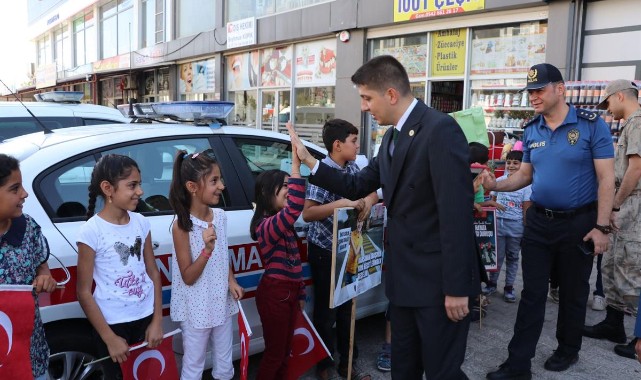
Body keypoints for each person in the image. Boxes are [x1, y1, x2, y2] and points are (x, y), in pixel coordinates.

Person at [289, 55, 479, 379]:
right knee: (403, 370)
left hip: (438, 284)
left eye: (367, 98)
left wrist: (458, 288)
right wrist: (310, 161)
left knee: (442, 371)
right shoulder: (390, 138)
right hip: (403, 283)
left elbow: (456, 214)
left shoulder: (440, 130)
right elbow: (356, 183)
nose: (364, 107)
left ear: (390, 94)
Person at [481, 63, 615, 379]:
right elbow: (525, 175)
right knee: (533, 294)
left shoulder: (591, 125)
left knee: (572, 292)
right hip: (539, 222)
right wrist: (495, 185)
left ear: (560, 89)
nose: (534, 97)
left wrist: (602, 226)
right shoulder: (531, 130)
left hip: (579, 224)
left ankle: (568, 349)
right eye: (531, 92)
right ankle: (518, 364)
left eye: (540, 90)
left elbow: (606, 178)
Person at [76, 154, 164, 379]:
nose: (140, 191)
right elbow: (84, 292)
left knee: (148, 374)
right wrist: (109, 338)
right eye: (132, 185)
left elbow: (153, 272)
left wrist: (156, 321)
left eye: (139, 184)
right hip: (112, 325)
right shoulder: (91, 231)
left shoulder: (141, 223)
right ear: (108, 188)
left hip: (145, 318)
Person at [302, 119, 377, 380]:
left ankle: (348, 365)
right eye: (354, 141)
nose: (358, 146)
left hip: (350, 249)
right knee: (326, 313)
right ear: (337, 145)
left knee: (348, 310)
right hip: (325, 251)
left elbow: (374, 192)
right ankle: (324, 366)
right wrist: (341, 204)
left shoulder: (355, 167)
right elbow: (308, 213)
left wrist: (367, 200)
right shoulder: (321, 172)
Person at [168, 149, 244, 380]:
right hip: (195, 309)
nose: (221, 186)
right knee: (194, 366)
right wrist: (206, 251)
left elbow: (224, 255)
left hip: (220, 301)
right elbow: (188, 277)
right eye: (214, 181)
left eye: (220, 179)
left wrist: (231, 280)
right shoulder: (182, 226)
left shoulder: (219, 216)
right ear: (192, 187)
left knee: (224, 362)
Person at [582, 79, 641, 360]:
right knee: (613, 264)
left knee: (632, 269)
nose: (607, 110)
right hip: (626, 202)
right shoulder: (630, 123)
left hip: (633, 204)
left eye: (608, 104)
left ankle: (638, 339)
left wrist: (616, 205)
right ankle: (613, 324)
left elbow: (636, 168)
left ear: (620, 96)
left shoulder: (638, 121)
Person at [250, 129, 307, 380]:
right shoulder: (267, 226)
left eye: (289, 185)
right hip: (275, 294)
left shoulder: (282, 224)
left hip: (289, 292)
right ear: (266, 193)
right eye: (284, 186)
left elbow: (295, 263)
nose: (289, 190)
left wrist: (301, 293)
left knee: (285, 352)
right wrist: (296, 166)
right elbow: (295, 207)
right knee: (274, 354)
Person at [0, 154, 57, 380]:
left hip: (30, 357)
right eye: (15, 189)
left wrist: (45, 278)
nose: (24, 193)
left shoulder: (28, 227)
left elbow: (42, 268)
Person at [483, 150, 532, 303]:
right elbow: (493, 200)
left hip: (516, 227)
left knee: (512, 257)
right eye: (508, 162)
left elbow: (526, 209)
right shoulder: (499, 181)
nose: (511, 165)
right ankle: (492, 283)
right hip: (498, 224)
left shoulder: (526, 186)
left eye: (515, 163)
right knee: (496, 256)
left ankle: (509, 287)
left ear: (523, 166)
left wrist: (526, 229)